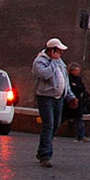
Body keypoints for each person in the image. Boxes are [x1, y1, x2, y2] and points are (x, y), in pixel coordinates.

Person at [32, 38, 74, 168]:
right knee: (48, 124)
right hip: (45, 97)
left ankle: (42, 150)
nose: (61, 54)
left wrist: (70, 96)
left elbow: (64, 80)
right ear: (52, 50)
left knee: (55, 124)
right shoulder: (40, 61)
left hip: (58, 98)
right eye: (59, 51)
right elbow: (45, 75)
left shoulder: (60, 62)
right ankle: (45, 154)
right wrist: (54, 62)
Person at [65, 63, 90, 141]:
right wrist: (75, 87)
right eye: (76, 70)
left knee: (79, 118)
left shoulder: (79, 79)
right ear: (71, 71)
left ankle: (81, 135)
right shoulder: (68, 79)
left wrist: (76, 87)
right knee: (63, 117)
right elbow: (71, 88)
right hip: (68, 101)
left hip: (78, 101)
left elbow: (82, 88)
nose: (78, 72)